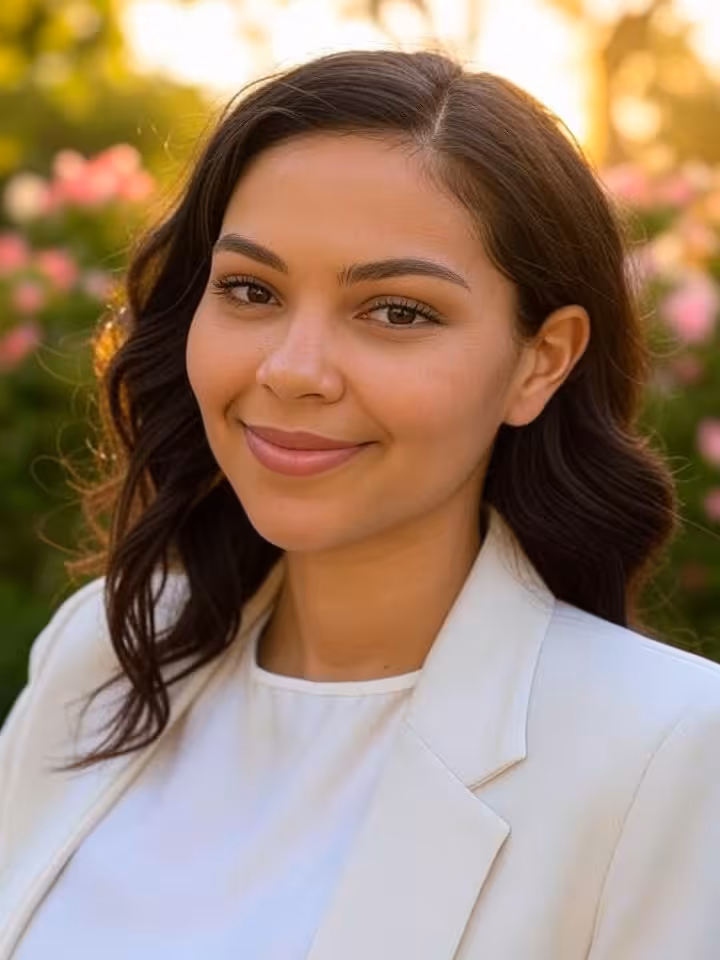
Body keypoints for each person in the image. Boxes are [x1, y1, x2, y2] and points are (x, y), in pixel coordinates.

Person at [0, 47, 718, 960]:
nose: (292, 370)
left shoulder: (668, 752)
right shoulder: (100, 650)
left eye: (397, 311)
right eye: (250, 291)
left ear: (542, 360)